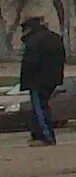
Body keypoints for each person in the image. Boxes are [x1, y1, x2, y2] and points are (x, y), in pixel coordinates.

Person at [19, 14, 65, 147]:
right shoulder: (54, 37)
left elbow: (30, 62)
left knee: (39, 108)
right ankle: (39, 135)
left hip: (37, 80)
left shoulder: (34, 41)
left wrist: (25, 80)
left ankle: (45, 136)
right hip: (53, 78)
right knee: (42, 106)